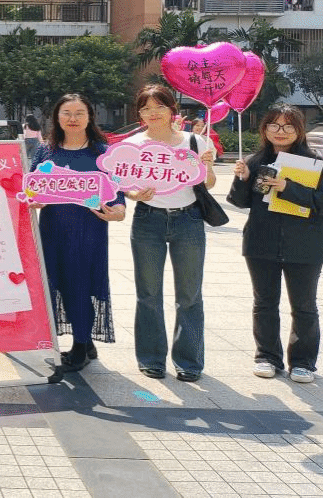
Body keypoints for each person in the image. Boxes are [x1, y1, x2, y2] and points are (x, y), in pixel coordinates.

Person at [227, 105, 323, 384]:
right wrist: (242, 179)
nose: (280, 132)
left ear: (299, 130)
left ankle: (303, 363)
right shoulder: (256, 161)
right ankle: (267, 357)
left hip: (305, 245)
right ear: (264, 129)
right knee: (264, 304)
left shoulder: (315, 164)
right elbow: (241, 202)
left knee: (304, 306)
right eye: (274, 125)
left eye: (288, 126)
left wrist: (288, 188)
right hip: (261, 242)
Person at [124, 84, 216, 382]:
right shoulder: (133, 144)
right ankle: (151, 358)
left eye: (159, 107)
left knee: (190, 294)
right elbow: (124, 183)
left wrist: (208, 167)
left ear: (171, 109)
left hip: (188, 220)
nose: (153, 113)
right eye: (146, 108)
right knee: (148, 293)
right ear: (140, 114)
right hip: (147, 220)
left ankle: (189, 361)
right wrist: (135, 194)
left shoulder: (195, 141)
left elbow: (208, 183)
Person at [29, 94, 126, 371]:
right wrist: (33, 199)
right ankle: (86, 340)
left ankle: (80, 348)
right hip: (53, 228)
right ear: (57, 117)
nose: (73, 118)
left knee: (80, 282)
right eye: (67, 113)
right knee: (59, 281)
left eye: (79, 113)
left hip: (88, 229)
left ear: (89, 117)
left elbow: (117, 190)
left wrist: (119, 210)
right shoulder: (46, 150)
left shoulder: (103, 152)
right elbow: (32, 186)